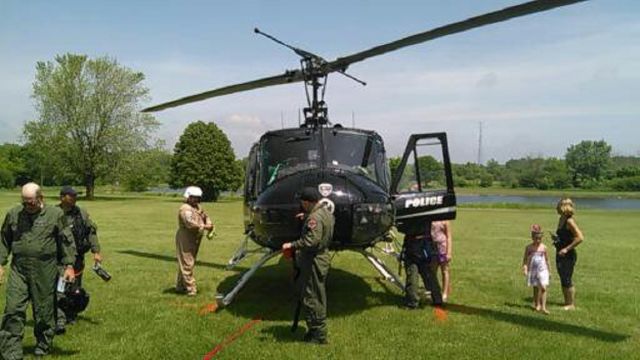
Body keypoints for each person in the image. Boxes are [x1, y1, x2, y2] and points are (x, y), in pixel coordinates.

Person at [0, 182, 76, 358]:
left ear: (40, 198)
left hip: (45, 269)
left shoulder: (55, 215)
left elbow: (66, 241)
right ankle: (11, 352)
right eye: (24, 202)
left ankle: (43, 344)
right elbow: (4, 240)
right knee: (13, 309)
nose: (27, 206)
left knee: (43, 311)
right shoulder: (13, 214)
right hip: (19, 269)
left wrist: (69, 265)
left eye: (31, 202)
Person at [282, 187, 334, 344]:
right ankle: (317, 329)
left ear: (307, 202)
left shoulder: (315, 218)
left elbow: (311, 241)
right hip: (321, 257)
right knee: (318, 294)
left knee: (312, 297)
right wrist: (306, 217)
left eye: (303, 203)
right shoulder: (325, 212)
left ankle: (318, 333)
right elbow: (320, 225)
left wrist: (291, 245)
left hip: (313, 260)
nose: (302, 205)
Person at [55, 186, 102, 334]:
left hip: (78, 258)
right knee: (60, 288)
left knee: (74, 289)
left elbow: (91, 232)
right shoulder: (54, 214)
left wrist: (96, 251)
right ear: (62, 197)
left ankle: (71, 314)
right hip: (60, 258)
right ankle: (59, 319)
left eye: (76, 196)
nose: (74, 198)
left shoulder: (81, 213)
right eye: (71, 196)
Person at [175, 186, 213, 296]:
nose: (195, 200)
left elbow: (205, 216)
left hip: (195, 237)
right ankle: (191, 289)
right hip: (185, 236)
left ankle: (180, 286)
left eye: (197, 198)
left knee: (187, 262)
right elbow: (190, 224)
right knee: (187, 263)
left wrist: (209, 222)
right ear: (188, 197)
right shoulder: (185, 209)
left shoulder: (197, 207)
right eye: (193, 197)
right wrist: (206, 226)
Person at [402, 224, 443, 309]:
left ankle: (412, 302)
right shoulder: (427, 216)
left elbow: (404, 228)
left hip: (413, 247)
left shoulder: (412, 217)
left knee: (412, 275)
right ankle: (437, 299)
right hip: (425, 246)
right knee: (429, 275)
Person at [553, 197, 584, 310]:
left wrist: (566, 249)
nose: (556, 207)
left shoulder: (569, 221)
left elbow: (580, 237)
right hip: (560, 252)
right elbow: (565, 236)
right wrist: (557, 238)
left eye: (558, 205)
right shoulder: (561, 219)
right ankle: (566, 302)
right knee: (563, 277)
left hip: (568, 255)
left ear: (563, 207)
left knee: (567, 278)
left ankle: (571, 305)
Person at [522, 224, 550, 314]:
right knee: (536, 288)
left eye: (540, 239)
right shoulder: (529, 248)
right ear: (532, 238)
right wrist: (525, 268)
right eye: (536, 238)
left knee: (543, 287)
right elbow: (525, 259)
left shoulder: (544, 247)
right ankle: (537, 304)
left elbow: (547, 259)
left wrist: (549, 271)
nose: (538, 241)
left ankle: (544, 307)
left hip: (543, 270)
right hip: (533, 270)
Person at [430, 220, 452, 302]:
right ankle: (434, 291)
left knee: (445, 270)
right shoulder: (431, 220)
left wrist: (449, 252)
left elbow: (449, 237)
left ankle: (445, 292)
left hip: (443, 249)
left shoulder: (445, 221)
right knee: (432, 271)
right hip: (432, 249)